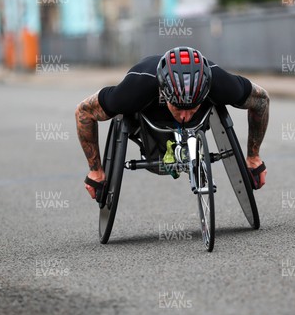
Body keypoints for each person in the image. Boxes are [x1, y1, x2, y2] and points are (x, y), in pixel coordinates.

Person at [75, 46, 269, 201]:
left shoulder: (220, 83)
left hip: (199, 119)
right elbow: (84, 112)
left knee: (192, 116)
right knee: (141, 122)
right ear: (164, 93)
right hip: (149, 114)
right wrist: (95, 170)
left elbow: (261, 100)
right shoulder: (135, 88)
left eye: (192, 107)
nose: (184, 116)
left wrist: (253, 156)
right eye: (178, 108)